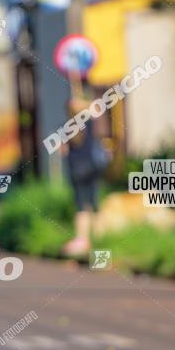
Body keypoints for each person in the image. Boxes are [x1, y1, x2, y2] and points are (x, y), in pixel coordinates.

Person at [60, 97, 109, 257]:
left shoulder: (67, 128)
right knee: (94, 203)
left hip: (77, 170)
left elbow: (63, 151)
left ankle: (83, 239)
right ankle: (100, 238)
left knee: (81, 206)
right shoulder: (91, 122)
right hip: (93, 167)